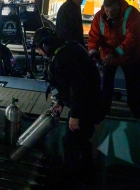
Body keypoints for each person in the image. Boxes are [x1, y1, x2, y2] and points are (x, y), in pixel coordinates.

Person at [34, 27, 103, 179]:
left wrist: (75, 116)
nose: (40, 53)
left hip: (85, 106)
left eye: (39, 49)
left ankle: (69, 179)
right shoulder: (67, 50)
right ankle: (88, 174)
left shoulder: (63, 58)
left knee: (70, 142)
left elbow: (78, 86)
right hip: (89, 103)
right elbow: (69, 84)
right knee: (82, 139)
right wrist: (60, 102)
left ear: (45, 46)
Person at [88, 0, 140, 118]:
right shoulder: (99, 16)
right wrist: (93, 52)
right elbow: (93, 36)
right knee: (105, 83)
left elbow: (132, 39)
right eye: (107, 11)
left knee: (133, 84)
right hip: (108, 56)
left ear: (118, 7)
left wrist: (114, 54)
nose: (109, 14)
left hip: (130, 56)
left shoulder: (132, 15)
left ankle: (135, 111)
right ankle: (104, 110)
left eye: (112, 11)